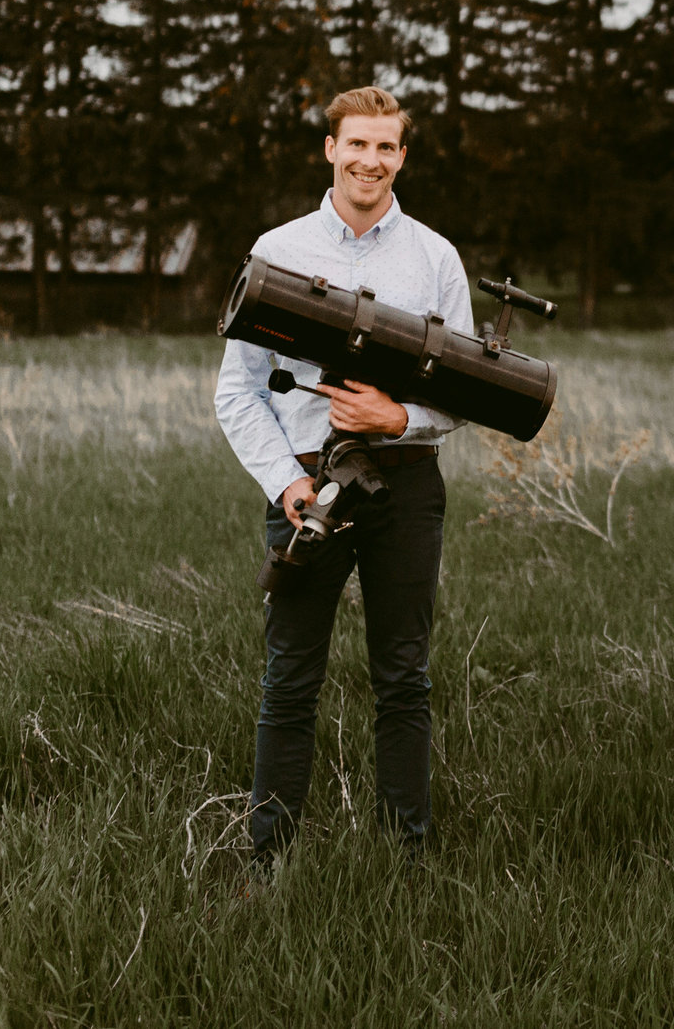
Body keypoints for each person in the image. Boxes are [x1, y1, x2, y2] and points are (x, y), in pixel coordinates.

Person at [214, 86, 474, 862]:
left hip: (407, 487)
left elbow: (461, 395)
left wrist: (399, 420)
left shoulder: (435, 256)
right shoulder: (281, 248)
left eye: (386, 147)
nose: (370, 160)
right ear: (330, 149)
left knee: (404, 678)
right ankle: (268, 860)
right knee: (290, 680)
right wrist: (285, 486)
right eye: (356, 144)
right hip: (305, 490)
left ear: (403, 156)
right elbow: (238, 391)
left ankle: (410, 858)